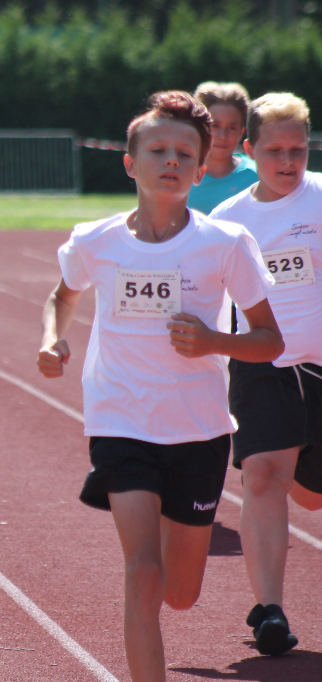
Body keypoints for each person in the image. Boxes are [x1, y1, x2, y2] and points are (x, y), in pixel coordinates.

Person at [37, 91, 283, 682]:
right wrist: (52, 339)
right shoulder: (95, 240)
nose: (170, 160)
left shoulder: (224, 245)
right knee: (142, 571)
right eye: (157, 150)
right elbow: (63, 295)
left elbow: (270, 340)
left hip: (197, 430)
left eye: (183, 153)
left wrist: (213, 342)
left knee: (179, 591)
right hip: (119, 420)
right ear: (131, 162)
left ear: (202, 169)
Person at [209, 92, 322, 656]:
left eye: (298, 150)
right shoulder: (229, 221)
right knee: (261, 478)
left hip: (319, 368)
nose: (287, 162)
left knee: (309, 496)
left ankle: (303, 470)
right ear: (250, 150)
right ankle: (270, 609)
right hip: (262, 366)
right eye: (274, 150)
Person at [188, 82, 258, 215]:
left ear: (241, 132)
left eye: (231, 128)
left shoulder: (257, 176)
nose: (223, 136)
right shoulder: (182, 175)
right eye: (215, 125)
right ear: (200, 128)